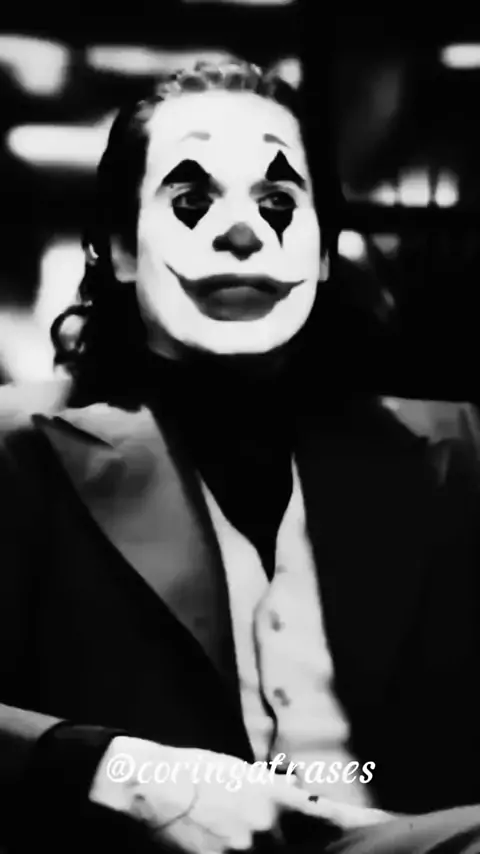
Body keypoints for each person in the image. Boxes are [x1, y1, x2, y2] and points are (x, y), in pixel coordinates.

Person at [1, 57, 480, 854]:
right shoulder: (20, 449)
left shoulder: (456, 450)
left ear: (322, 254)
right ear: (119, 248)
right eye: (191, 202)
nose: (242, 231)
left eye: (278, 202)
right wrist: (118, 771)